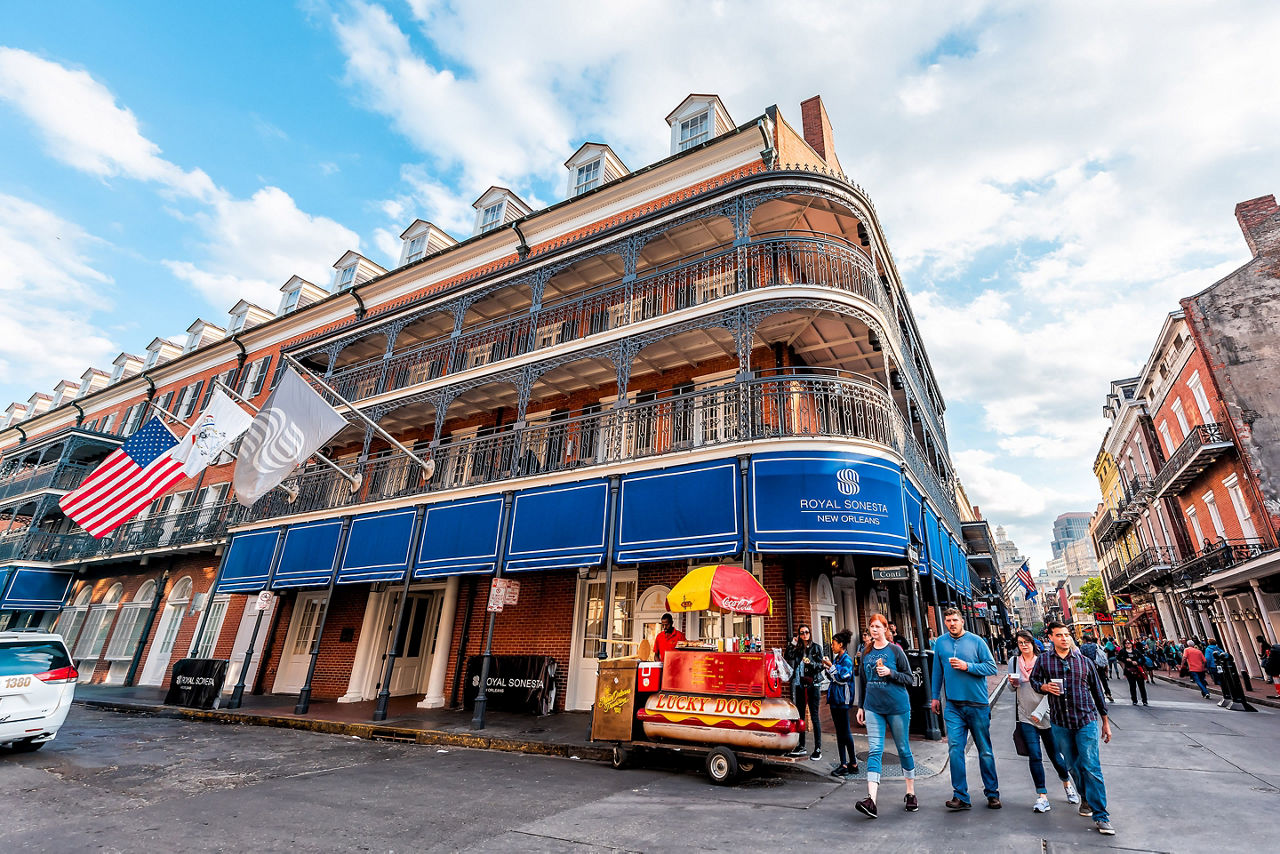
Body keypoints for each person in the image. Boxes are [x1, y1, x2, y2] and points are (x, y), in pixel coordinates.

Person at [1031, 621, 1115, 836]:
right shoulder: (1044, 661)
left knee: (1091, 766)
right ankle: (1085, 797)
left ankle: (1101, 815)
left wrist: (1105, 722)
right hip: (1060, 722)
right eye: (1059, 635)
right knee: (1073, 765)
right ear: (1051, 637)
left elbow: (1097, 692)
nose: (1064, 639)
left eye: (1067, 635)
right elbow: (1034, 680)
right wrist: (1043, 686)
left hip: (1086, 720)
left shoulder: (1084, 662)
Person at [931, 607, 1001, 810]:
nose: (952, 623)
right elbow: (937, 672)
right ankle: (960, 795)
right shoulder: (940, 643)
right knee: (954, 750)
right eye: (948, 620)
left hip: (977, 704)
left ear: (962, 621)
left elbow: (991, 667)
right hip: (953, 705)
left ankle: (992, 793)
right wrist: (935, 697)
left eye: (955, 620)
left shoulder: (977, 641)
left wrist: (966, 666)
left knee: (985, 751)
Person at [1008, 630, 1078, 812]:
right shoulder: (1014, 662)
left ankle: (1067, 784)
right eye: (1020, 642)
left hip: (1047, 715)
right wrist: (1012, 684)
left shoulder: (1044, 661)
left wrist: (1041, 712)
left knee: (1055, 755)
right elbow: (1011, 688)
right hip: (1025, 716)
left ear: (1033, 643)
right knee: (1035, 755)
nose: (1023, 645)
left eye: (1026, 642)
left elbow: (1054, 689)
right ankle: (1042, 796)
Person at [855, 614, 917, 818]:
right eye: (871, 626)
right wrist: (861, 706)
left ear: (885, 630)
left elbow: (909, 678)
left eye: (878, 626)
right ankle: (871, 800)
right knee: (875, 750)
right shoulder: (866, 652)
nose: (874, 630)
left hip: (897, 706)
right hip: (873, 707)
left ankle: (910, 792)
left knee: (902, 748)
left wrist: (890, 672)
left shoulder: (895, 651)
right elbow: (863, 681)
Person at [821, 629, 859, 778]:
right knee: (840, 732)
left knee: (845, 732)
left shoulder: (847, 661)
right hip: (835, 699)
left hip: (842, 700)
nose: (832, 646)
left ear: (841, 645)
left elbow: (842, 678)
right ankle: (845, 763)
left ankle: (851, 763)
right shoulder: (837, 659)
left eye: (834, 644)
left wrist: (831, 667)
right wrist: (828, 668)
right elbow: (833, 678)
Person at [786, 624, 824, 760]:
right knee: (800, 716)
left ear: (810, 633)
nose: (804, 635)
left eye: (806, 632)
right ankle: (801, 745)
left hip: (813, 684)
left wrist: (811, 664)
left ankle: (818, 748)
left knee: (814, 717)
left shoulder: (816, 647)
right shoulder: (798, 649)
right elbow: (787, 655)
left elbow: (821, 665)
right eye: (802, 633)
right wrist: (792, 643)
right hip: (800, 685)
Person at [1080, 633, 1114, 702]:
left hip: (1089, 667)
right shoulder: (1096, 645)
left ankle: (1097, 696)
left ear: (1084, 640)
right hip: (1098, 665)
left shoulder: (1083, 647)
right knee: (1103, 680)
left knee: (1092, 682)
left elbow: (1081, 657)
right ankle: (1108, 693)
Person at [1117, 640, 1148, 706]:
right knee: (1132, 686)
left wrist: (1137, 663)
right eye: (1126, 643)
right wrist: (1125, 660)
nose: (1127, 644)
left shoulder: (1136, 651)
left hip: (1137, 670)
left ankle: (1144, 700)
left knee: (1141, 686)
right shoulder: (1122, 651)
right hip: (1129, 671)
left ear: (1131, 644)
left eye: (1129, 643)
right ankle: (1134, 700)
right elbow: (1118, 657)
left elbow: (1143, 659)